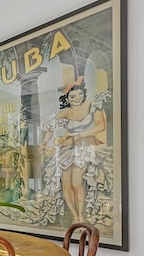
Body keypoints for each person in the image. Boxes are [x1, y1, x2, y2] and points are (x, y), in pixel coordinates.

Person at [40, 76, 109, 224]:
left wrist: (78, 136)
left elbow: (101, 126)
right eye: (72, 96)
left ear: (84, 94)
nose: (77, 98)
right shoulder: (63, 113)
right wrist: (44, 143)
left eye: (79, 94)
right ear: (67, 98)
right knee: (66, 183)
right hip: (67, 147)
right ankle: (74, 216)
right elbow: (50, 129)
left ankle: (81, 214)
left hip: (84, 145)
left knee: (77, 183)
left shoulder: (93, 106)